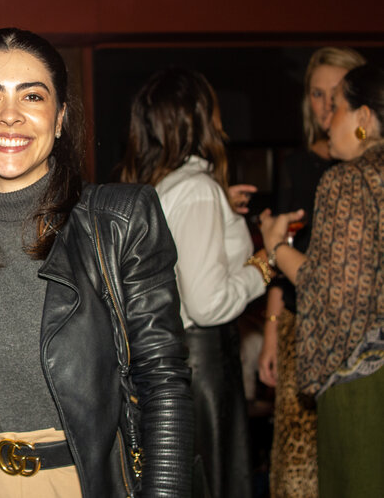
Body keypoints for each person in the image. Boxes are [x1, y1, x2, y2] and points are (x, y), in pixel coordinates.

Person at [0, 28, 193, 497]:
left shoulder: (120, 221)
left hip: (81, 484)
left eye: (32, 96)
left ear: (59, 118)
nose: (10, 116)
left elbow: (163, 384)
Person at [118, 67, 271, 498]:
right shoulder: (199, 189)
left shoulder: (158, 187)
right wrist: (265, 263)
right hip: (203, 365)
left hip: (171, 363)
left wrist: (224, 207)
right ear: (201, 117)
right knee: (213, 481)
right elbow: (206, 302)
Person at [259, 63, 384, 496]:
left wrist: (275, 247)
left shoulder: (347, 181)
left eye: (339, 108)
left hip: (362, 380)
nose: (328, 121)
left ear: (365, 118)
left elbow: (328, 289)